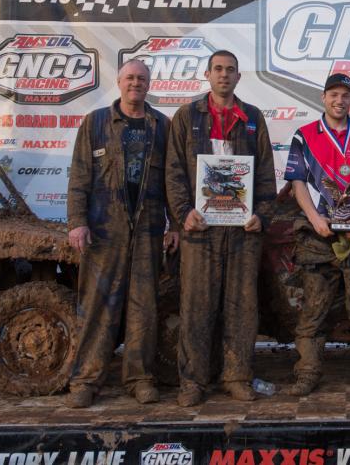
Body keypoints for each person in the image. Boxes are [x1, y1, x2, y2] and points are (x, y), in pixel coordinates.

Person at [165, 49, 276, 405]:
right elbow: (174, 171)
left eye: (230, 70)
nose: (224, 75)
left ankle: (237, 375)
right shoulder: (187, 116)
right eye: (218, 69)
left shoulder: (254, 118)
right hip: (200, 230)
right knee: (197, 305)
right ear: (208, 75)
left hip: (243, 232)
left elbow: (264, 176)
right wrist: (183, 213)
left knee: (241, 306)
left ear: (238, 77)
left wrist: (261, 214)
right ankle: (193, 382)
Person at [65, 59, 177, 408]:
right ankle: (86, 380)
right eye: (130, 78)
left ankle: (140, 379)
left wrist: (174, 224)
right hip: (103, 231)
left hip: (147, 230)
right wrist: (77, 222)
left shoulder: (163, 126)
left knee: (144, 307)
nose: (135, 84)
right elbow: (80, 177)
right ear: (118, 81)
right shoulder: (95, 123)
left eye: (141, 79)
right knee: (99, 306)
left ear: (149, 84)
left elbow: (173, 180)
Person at [284, 73, 350, 396]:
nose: (339, 100)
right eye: (334, 94)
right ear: (323, 97)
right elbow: (297, 182)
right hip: (318, 236)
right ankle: (307, 373)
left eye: (345, 95)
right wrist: (314, 218)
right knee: (313, 309)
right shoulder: (304, 135)